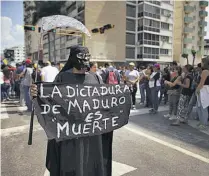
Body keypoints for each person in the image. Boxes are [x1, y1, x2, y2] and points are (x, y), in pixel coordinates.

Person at [30, 45, 113, 176]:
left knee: (91, 164)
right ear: (73, 58)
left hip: (92, 133)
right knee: (70, 164)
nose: (84, 60)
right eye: (81, 56)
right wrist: (36, 94)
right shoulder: (62, 77)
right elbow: (51, 100)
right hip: (70, 133)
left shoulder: (95, 78)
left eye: (87, 57)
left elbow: (105, 99)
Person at [195, 58, 209, 129]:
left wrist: (197, 90)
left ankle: (203, 123)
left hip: (203, 90)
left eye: (202, 62)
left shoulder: (205, 71)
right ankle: (202, 122)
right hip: (205, 89)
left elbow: (202, 83)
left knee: (202, 107)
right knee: (202, 106)